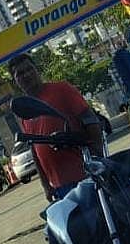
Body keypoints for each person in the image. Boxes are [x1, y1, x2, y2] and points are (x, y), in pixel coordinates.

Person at [8, 53, 104, 201]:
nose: (27, 75)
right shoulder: (25, 111)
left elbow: (90, 120)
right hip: (60, 186)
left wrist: (98, 158)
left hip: (85, 175)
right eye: (20, 73)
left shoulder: (62, 90)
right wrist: (46, 185)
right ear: (15, 82)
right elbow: (35, 148)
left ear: (37, 70)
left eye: (29, 69)